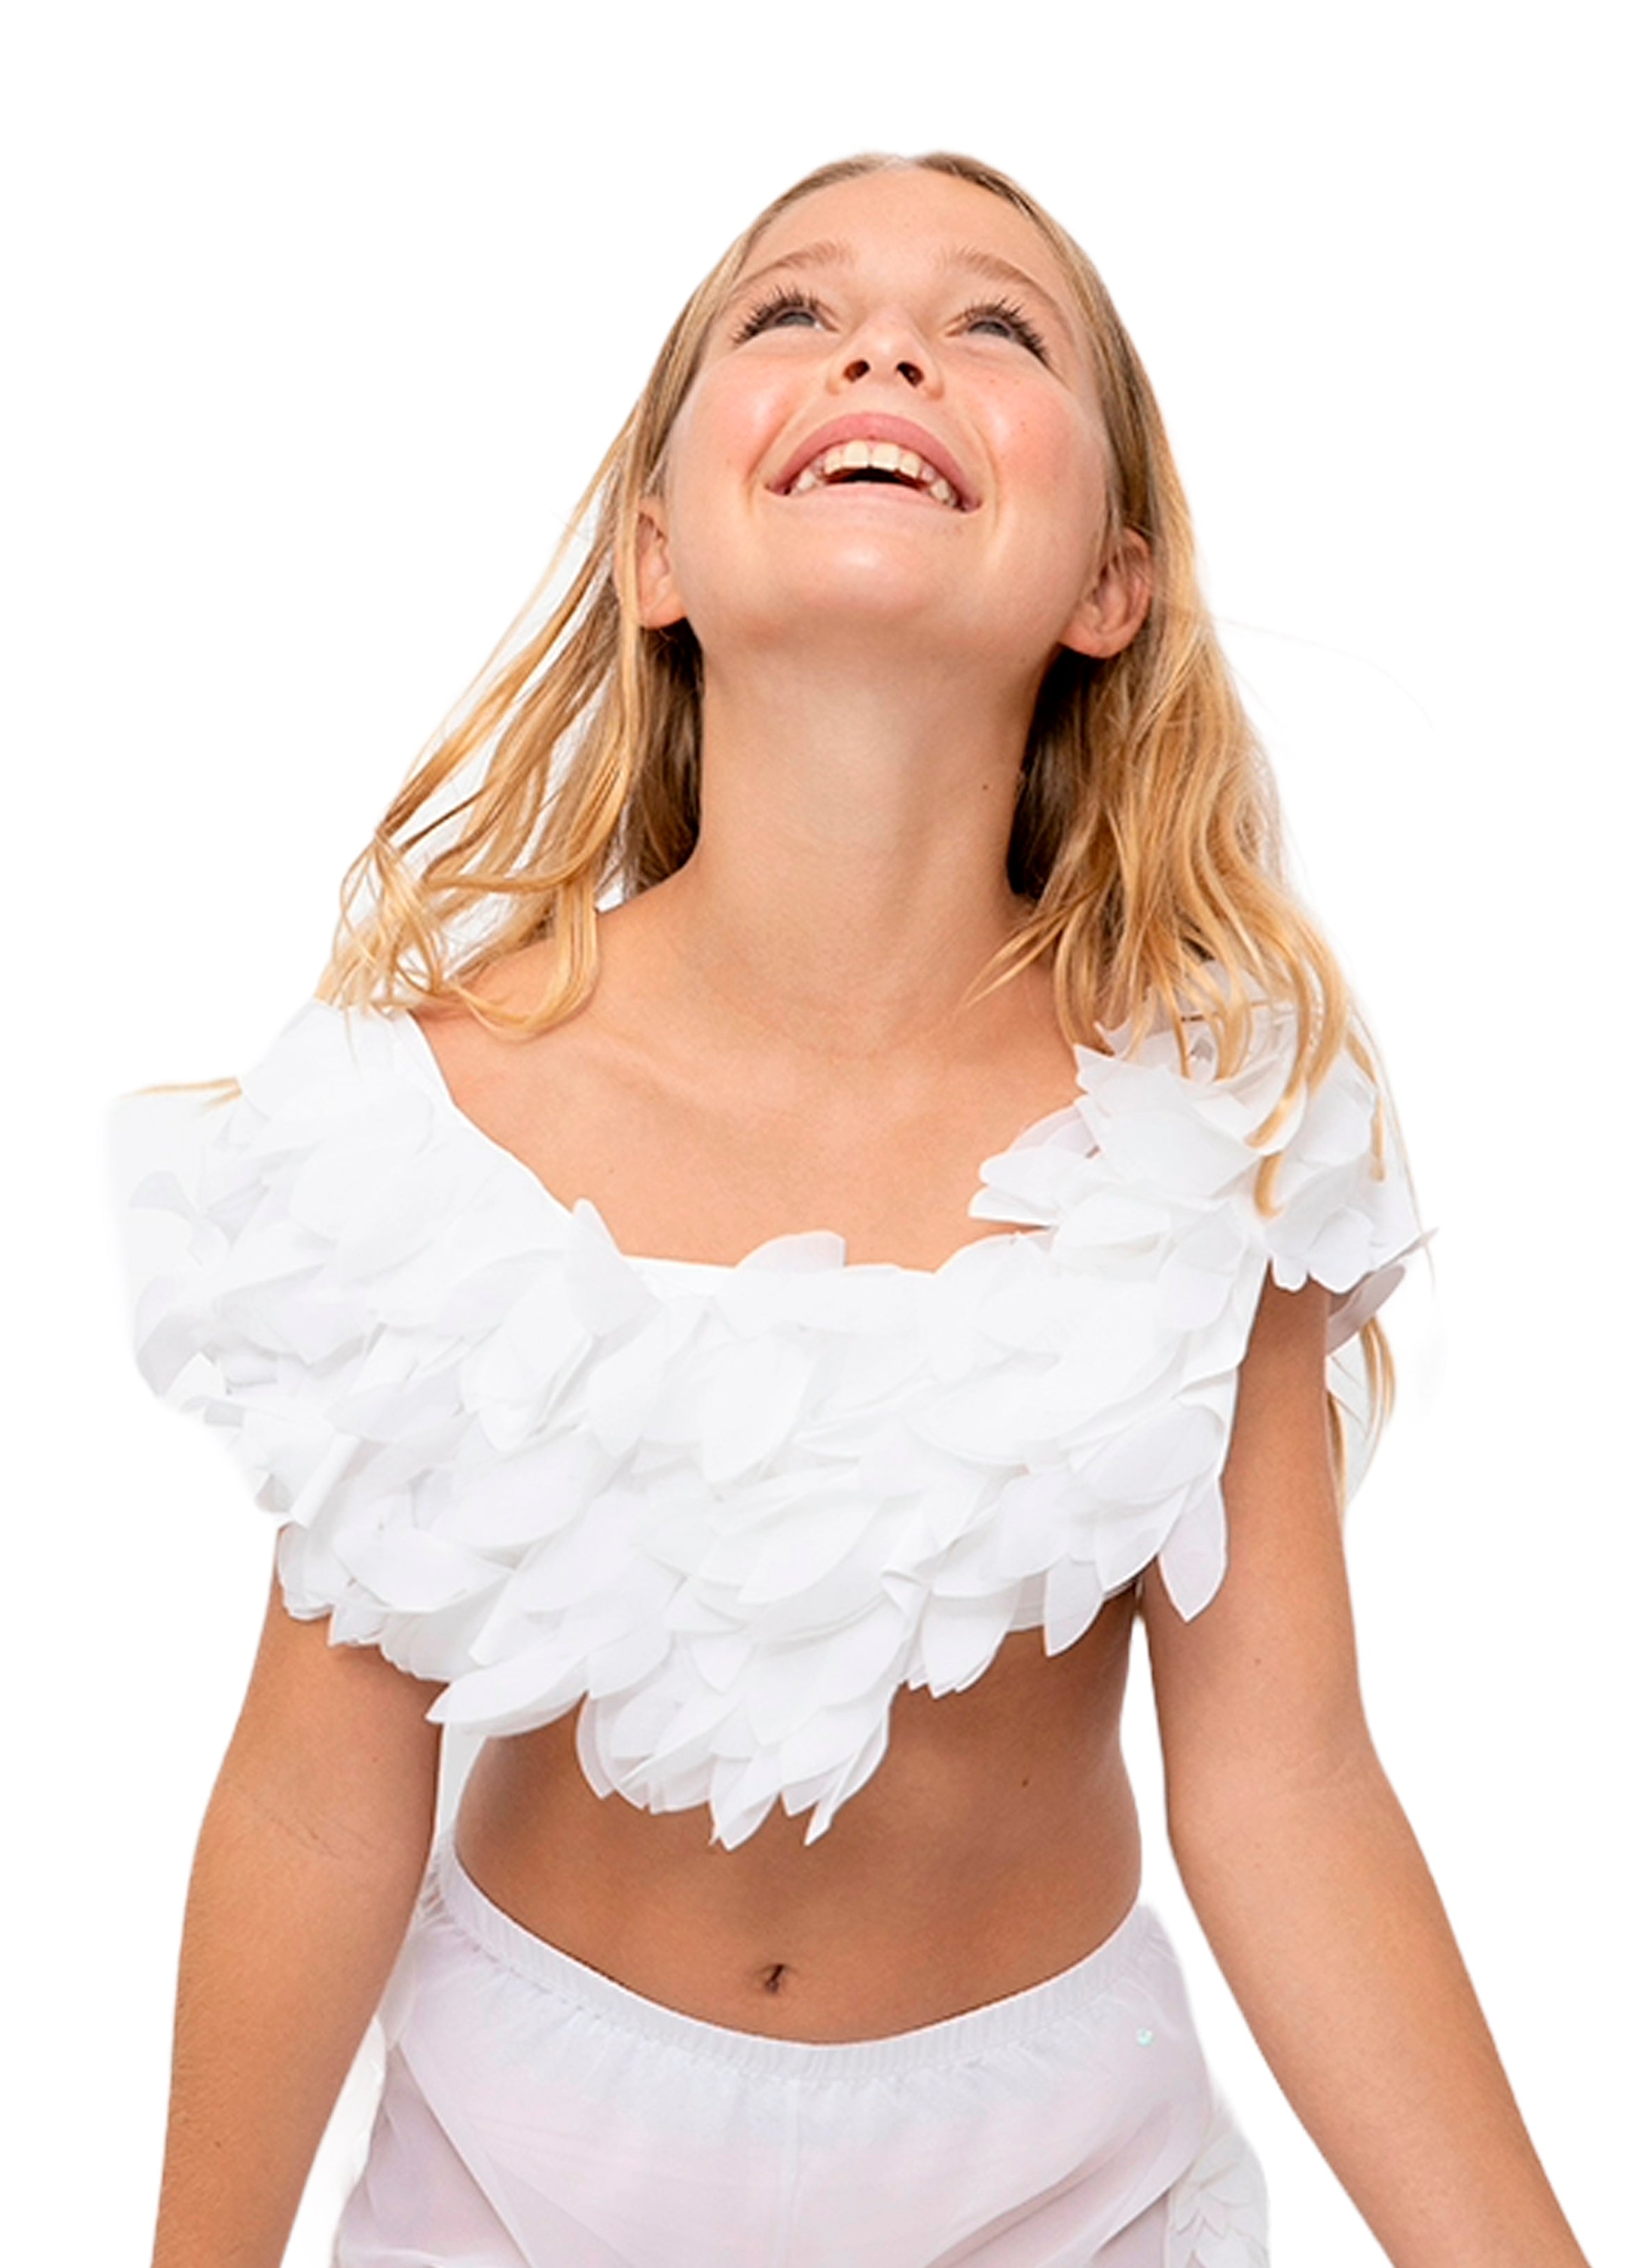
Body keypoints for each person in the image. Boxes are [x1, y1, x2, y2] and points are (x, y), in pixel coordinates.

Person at [111, 151, 1591, 2267]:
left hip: (1055, 2182)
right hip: (518, 2172)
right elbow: (311, 1799)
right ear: (653, 554)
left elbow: (1287, 1795)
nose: (883, 341)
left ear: (1109, 581)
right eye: (787, 314)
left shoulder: (1201, 1126)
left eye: (998, 326)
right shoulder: (429, 1111)